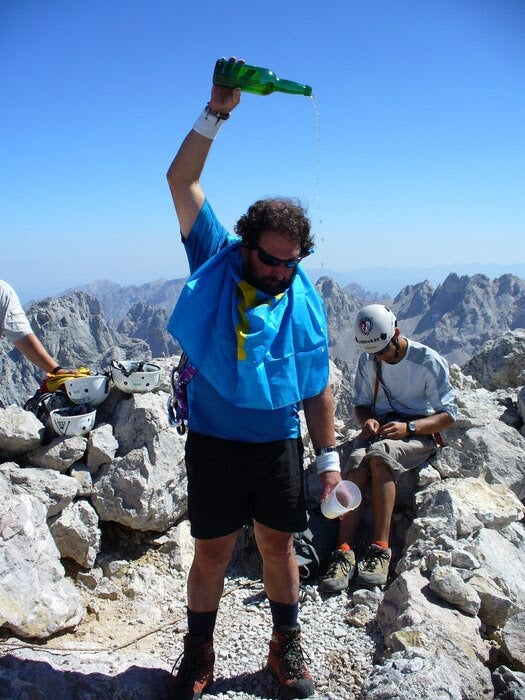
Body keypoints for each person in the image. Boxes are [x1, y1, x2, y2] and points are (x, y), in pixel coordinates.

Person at [166, 58, 341, 700]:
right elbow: (181, 180)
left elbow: (316, 384)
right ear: (245, 244)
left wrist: (328, 460)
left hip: (275, 443)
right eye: (270, 259)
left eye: (293, 262)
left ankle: (285, 646)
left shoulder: (301, 295)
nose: (281, 272)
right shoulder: (214, 256)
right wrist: (217, 112)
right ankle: (197, 651)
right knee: (211, 554)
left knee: (278, 547)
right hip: (213, 440)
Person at [319, 303, 457, 593]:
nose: (378, 358)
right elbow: (360, 403)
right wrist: (367, 420)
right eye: (373, 353)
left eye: (383, 351)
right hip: (382, 426)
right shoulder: (369, 359)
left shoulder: (427, 361)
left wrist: (410, 429)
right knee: (356, 462)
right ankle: (343, 551)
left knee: (380, 457)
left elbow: (448, 415)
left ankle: (380, 549)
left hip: (418, 429)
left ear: (395, 332)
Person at [0, 279, 68, 376]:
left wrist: (56, 370)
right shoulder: (3, 290)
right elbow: (21, 334)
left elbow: (21, 335)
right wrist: (56, 370)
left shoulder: (3, 291)